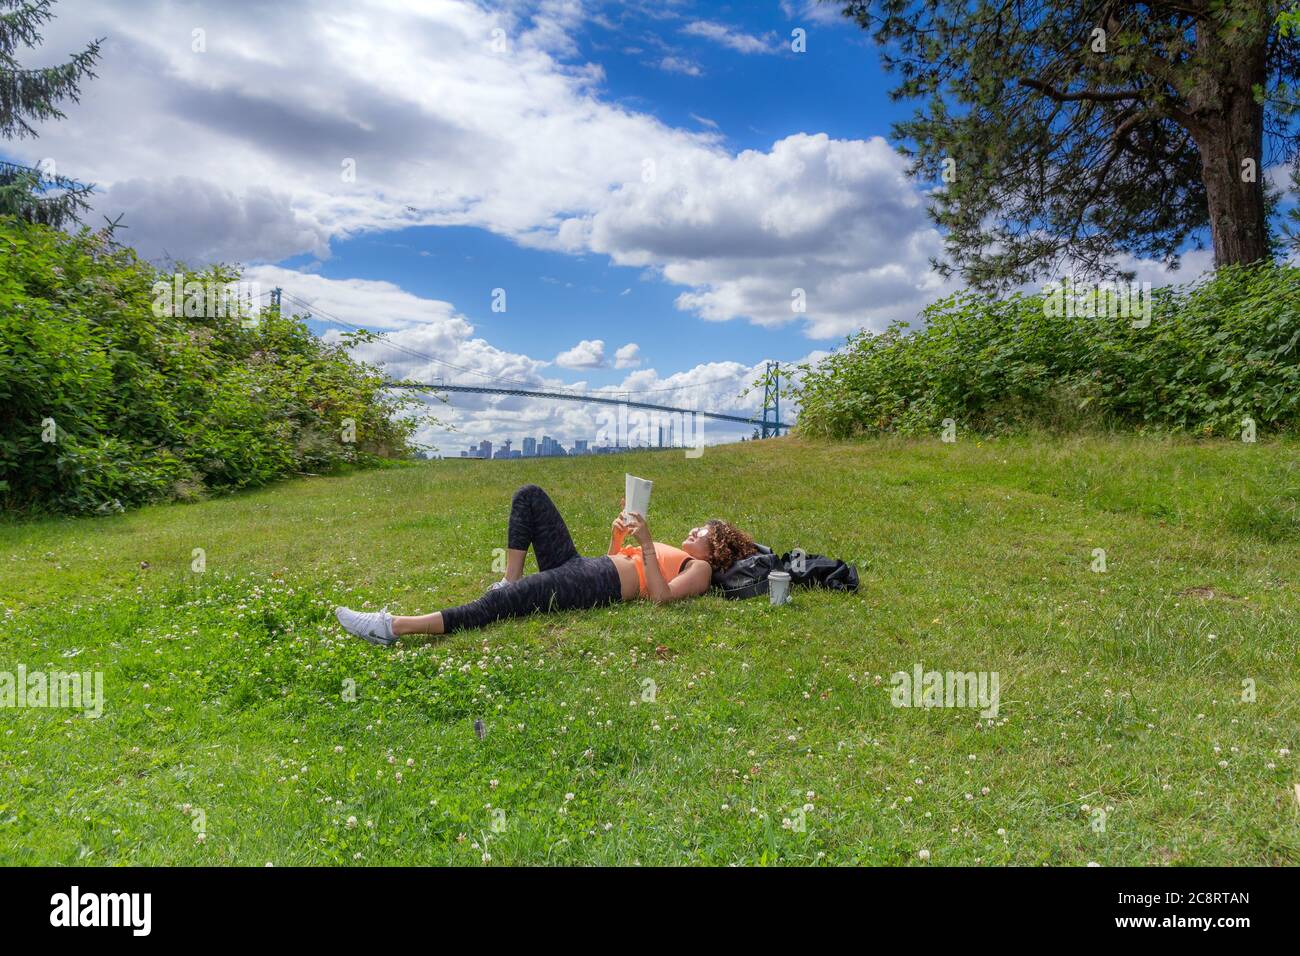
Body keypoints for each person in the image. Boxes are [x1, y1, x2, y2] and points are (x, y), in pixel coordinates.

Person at [334, 483, 757, 645]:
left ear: (715, 547)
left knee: (497, 609)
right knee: (529, 495)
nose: (692, 534)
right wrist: (619, 539)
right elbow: (618, 561)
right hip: (589, 566)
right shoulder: (683, 555)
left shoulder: (698, 570)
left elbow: (661, 599)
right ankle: (508, 579)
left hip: (596, 585)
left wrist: (646, 542)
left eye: (701, 533)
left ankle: (391, 627)